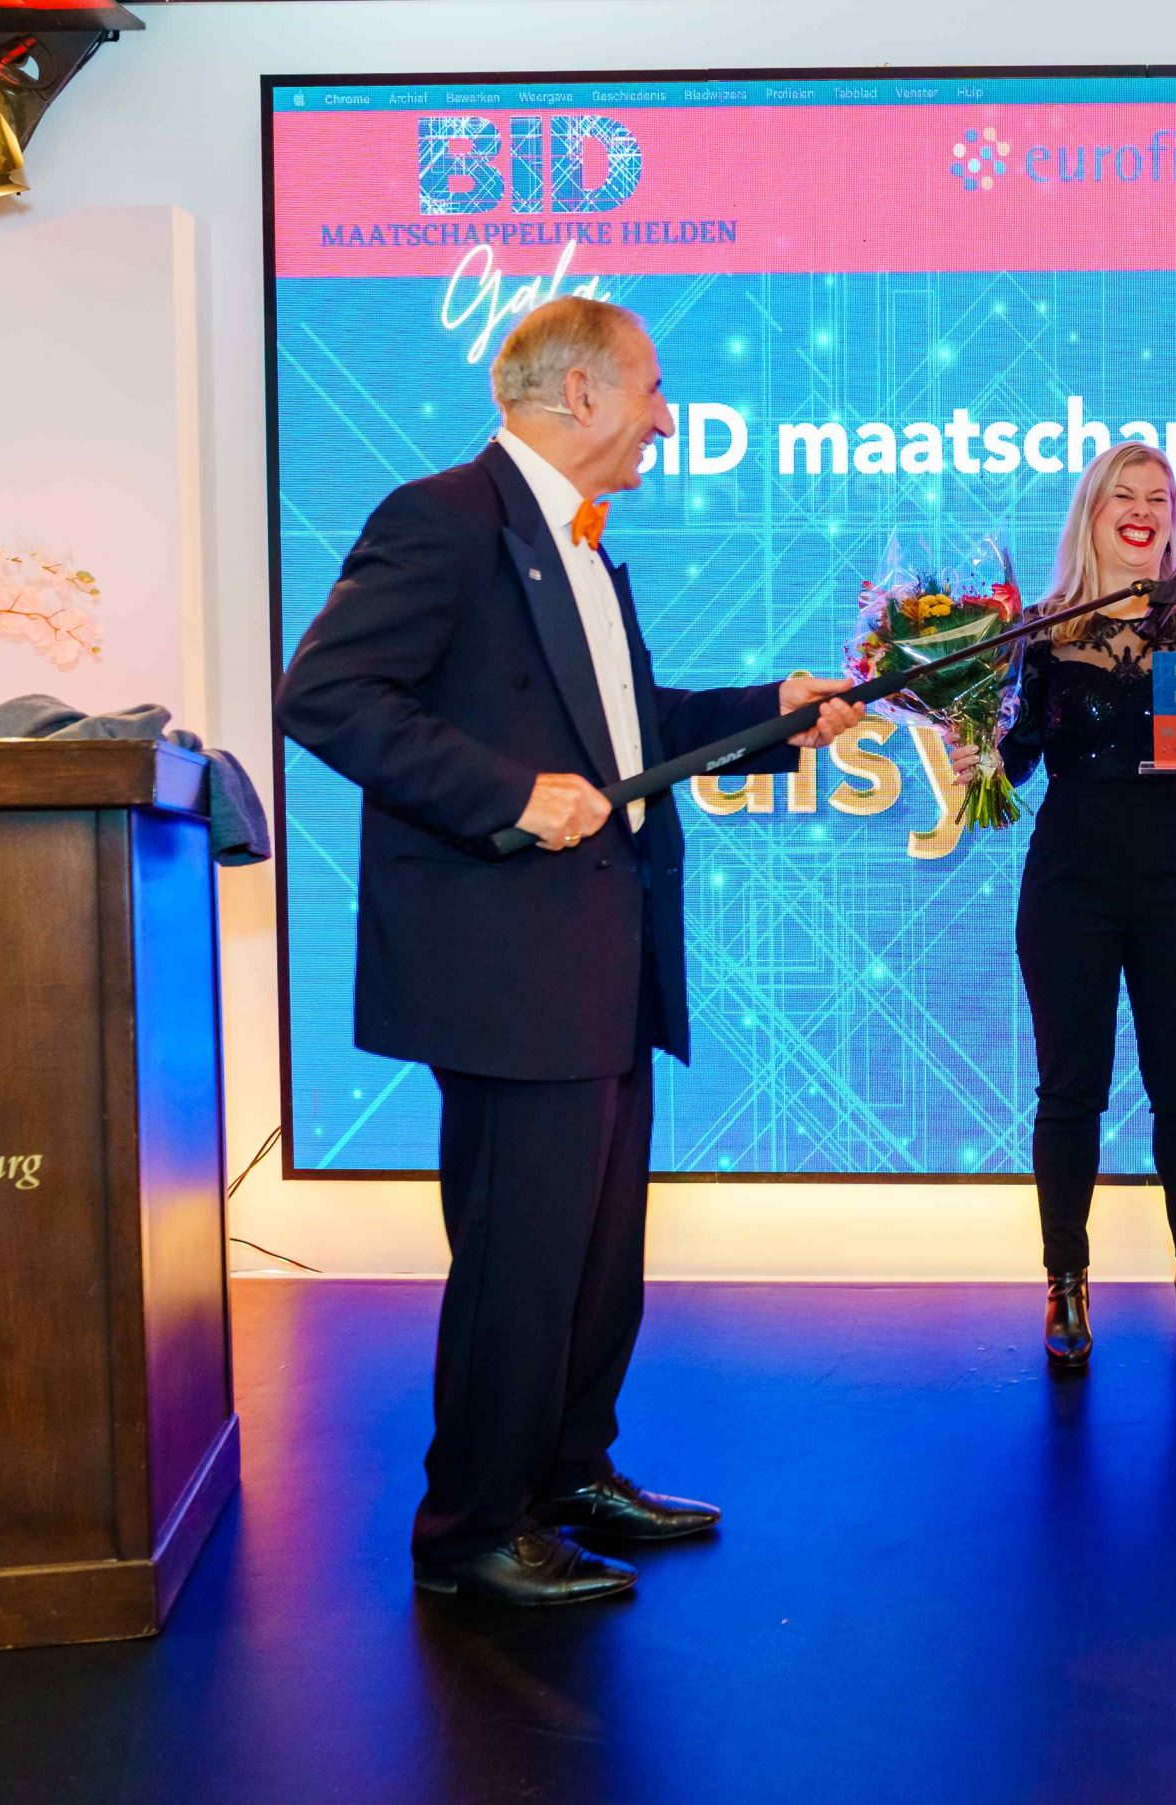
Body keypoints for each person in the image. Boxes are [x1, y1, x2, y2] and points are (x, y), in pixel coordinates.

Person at [276, 296, 861, 1605]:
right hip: (508, 966)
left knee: (595, 1252)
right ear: (581, 393)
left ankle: (566, 1473)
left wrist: (773, 713)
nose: (668, 418)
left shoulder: (584, 545)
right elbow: (324, 696)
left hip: (604, 953)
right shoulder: (442, 518)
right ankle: (471, 1530)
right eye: (651, 388)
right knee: (521, 1261)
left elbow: (625, 729)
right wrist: (506, 792)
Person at [950, 441, 1176, 1370]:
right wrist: (977, 761)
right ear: (1091, 513)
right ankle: (1065, 1282)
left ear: (1173, 519)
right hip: (1068, 887)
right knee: (1069, 1091)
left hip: (1170, 882)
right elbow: (1014, 765)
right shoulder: (1040, 630)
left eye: (1158, 497)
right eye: (1121, 495)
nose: (1141, 511)